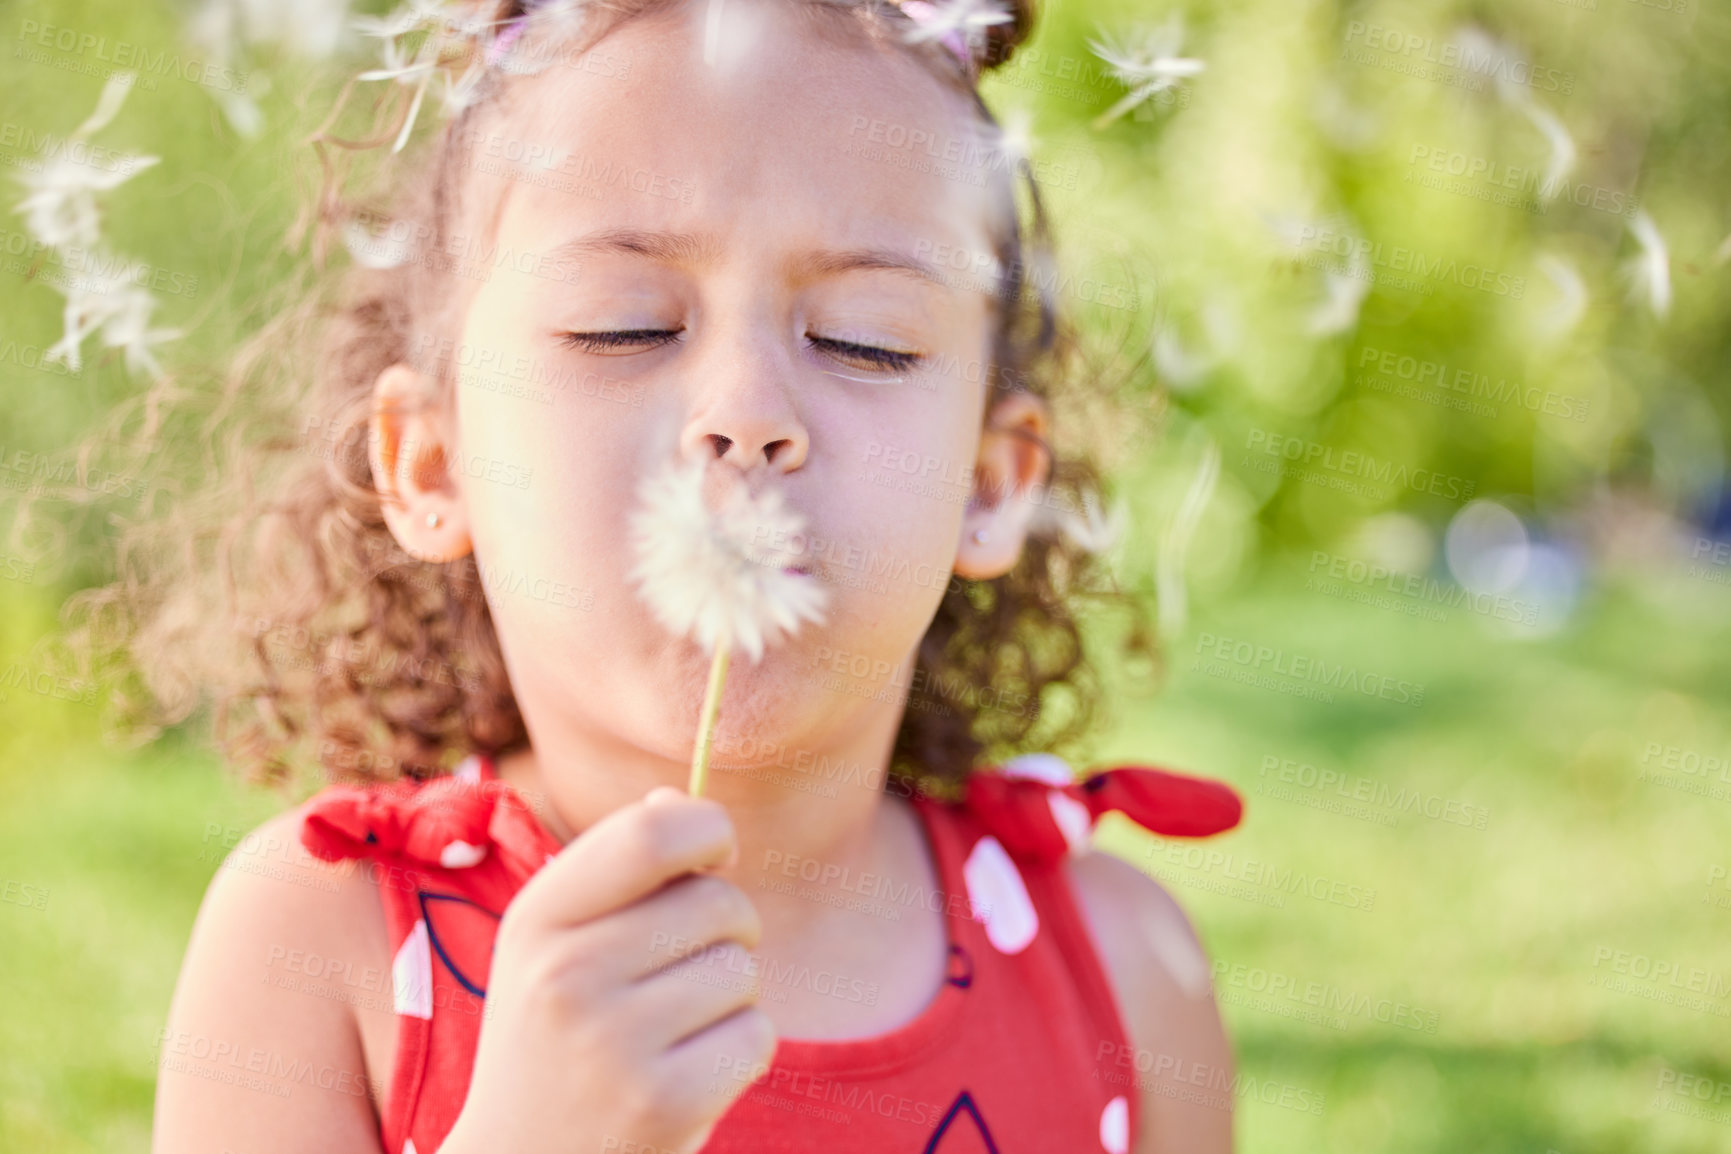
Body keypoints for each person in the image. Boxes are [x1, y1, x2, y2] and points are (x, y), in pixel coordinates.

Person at [142, 0, 1243, 1149]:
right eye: (623, 327)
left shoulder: (1127, 972)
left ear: (989, 482)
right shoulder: (321, 941)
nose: (746, 413)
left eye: (868, 338)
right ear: (431, 462)